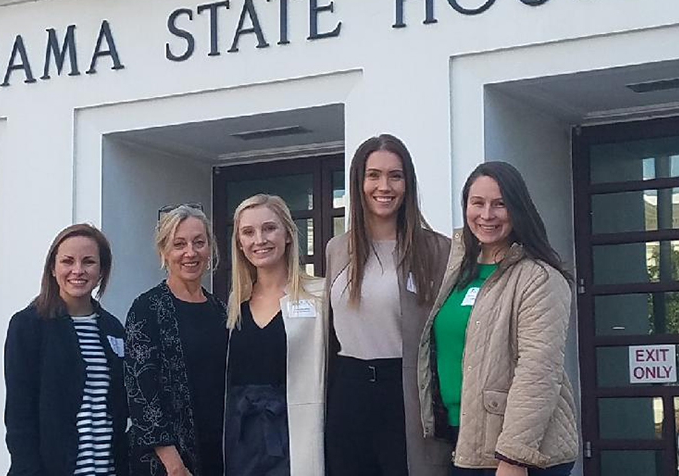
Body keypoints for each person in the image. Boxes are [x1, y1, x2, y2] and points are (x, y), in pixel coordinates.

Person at [418, 161, 578, 476]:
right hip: (463, 439)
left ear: (518, 209)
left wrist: (514, 457)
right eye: (477, 203)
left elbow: (538, 372)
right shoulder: (457, 270)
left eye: (500, 204)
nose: (487, 214)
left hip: (514, 453)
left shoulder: (539, 278)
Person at [325, 133, 452, 476]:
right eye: (374, 175)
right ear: (359, 182)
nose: (384, 186)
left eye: (395, 176)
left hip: (406, 393)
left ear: (408, 184)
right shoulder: (337, 249)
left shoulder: (437, 250)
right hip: (347, 390)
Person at [4, 223, 128, 476]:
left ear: (102, 270)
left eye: (88, 262)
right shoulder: (28, 325)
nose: (78, 270)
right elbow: (19, 415)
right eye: (67, 261)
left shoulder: (113, 328)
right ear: (53, 268)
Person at [224, 194, 327, 476]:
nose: (259, 240)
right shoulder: (236, 303)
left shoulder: (319, 296)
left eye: (269, 228)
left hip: (297, 437)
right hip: (242, 441)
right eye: (248, 232)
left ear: (288, 234)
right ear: (239, 243)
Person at [124, 205, 227, 476]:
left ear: (210, 248)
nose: (190, 253)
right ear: (165, 252)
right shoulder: (147, 308)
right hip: (166, 463)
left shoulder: (220, 310)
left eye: (199, 243)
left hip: (216, 453)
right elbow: (141, 391)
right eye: (179, 244)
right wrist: (173, 464)